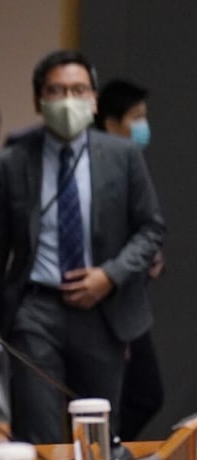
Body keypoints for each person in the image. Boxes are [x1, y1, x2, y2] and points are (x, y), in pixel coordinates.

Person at [0, 50, 165, 444]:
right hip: (35, 310)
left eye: (77, 90)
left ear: (93, 100)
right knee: (38, 433)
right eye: (56, 91)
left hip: (102, 311)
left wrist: (110, 275)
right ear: (39, 101)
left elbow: (150, 229)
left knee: (97, 437)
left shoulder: (122, 155)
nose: (67, 100)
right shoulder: (12, 161)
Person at [96, 78, 165, 440]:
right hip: (106, 299)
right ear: (110, 123)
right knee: (126, 395)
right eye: (135, 117)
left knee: (141, 394)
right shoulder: (101, 168)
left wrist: (152, 255)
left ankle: (110, 453)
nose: (143, 126)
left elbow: (147, 227)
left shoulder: (132, 164)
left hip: (131, 299)